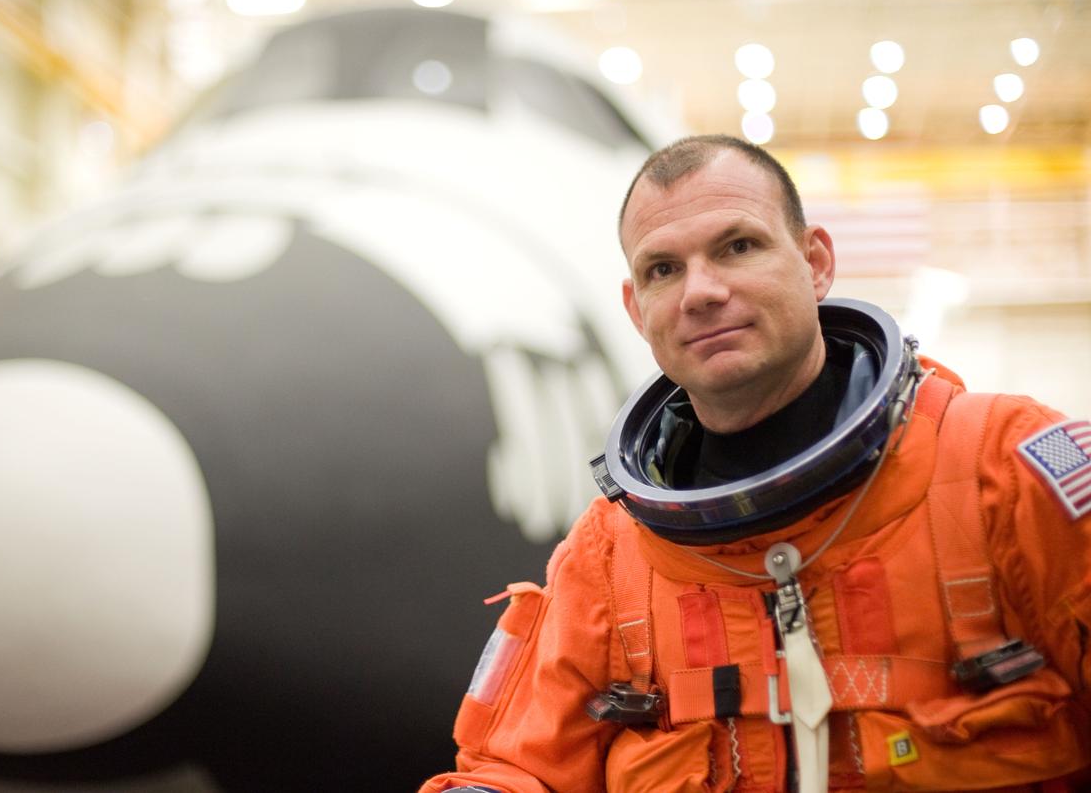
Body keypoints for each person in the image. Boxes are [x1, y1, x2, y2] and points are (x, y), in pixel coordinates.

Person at [420, 135, 1091, 793]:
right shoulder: (608, 559)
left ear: (816, 260)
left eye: (737, 246)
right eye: (663, 269)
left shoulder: (1009, 470)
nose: (700, 292)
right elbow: (517, 768)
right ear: (636, 309)